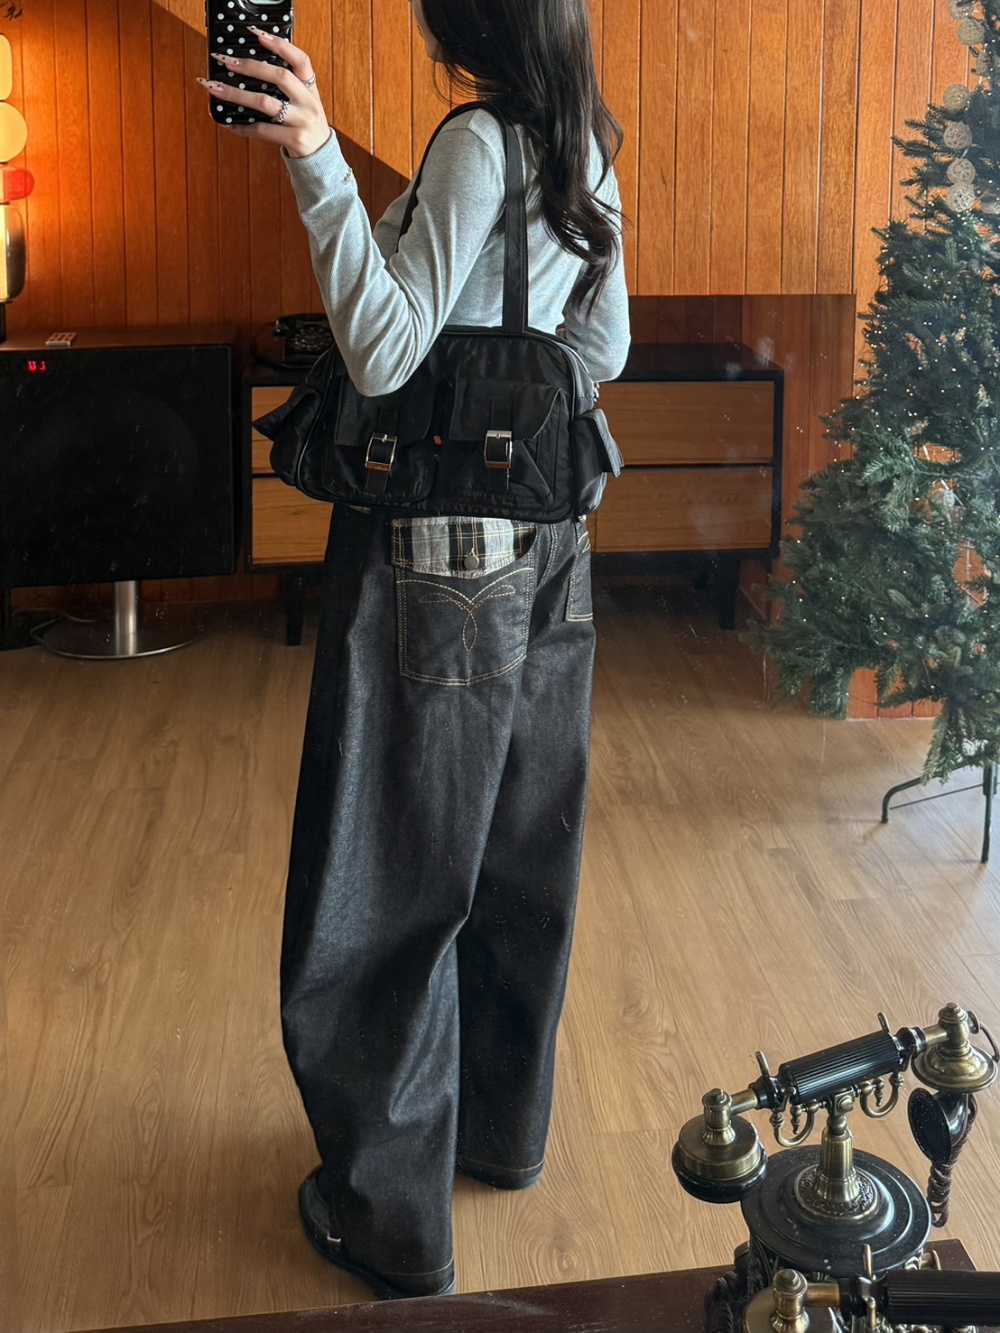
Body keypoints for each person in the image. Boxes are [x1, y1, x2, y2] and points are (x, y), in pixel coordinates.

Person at [200, 0, 630, 1301]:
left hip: (441, 555)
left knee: (389, 873)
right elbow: (601, 350)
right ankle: (498, 1133)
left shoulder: (476, 145)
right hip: (554, 547)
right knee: (519, 854)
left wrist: (315, 158)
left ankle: (393, 1223)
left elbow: (383, 355)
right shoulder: (585, 139)